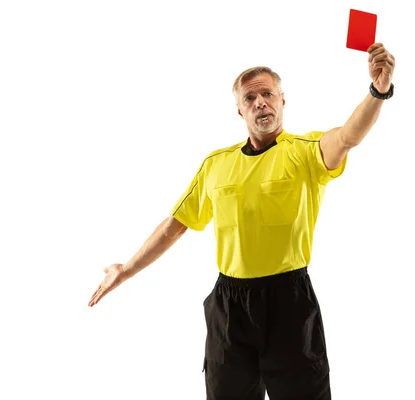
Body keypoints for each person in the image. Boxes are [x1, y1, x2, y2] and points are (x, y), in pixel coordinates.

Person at [89, 42, 396, 400]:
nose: (260, 102)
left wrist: (378, 91)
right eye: (250, 98)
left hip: (288, 303)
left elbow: (347, 136)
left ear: (283, 101)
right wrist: (125, 270)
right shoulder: (216, 165)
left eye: (268, 94)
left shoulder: (306, 152)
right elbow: (175, 225)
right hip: (230, 307)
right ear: (240, 110)